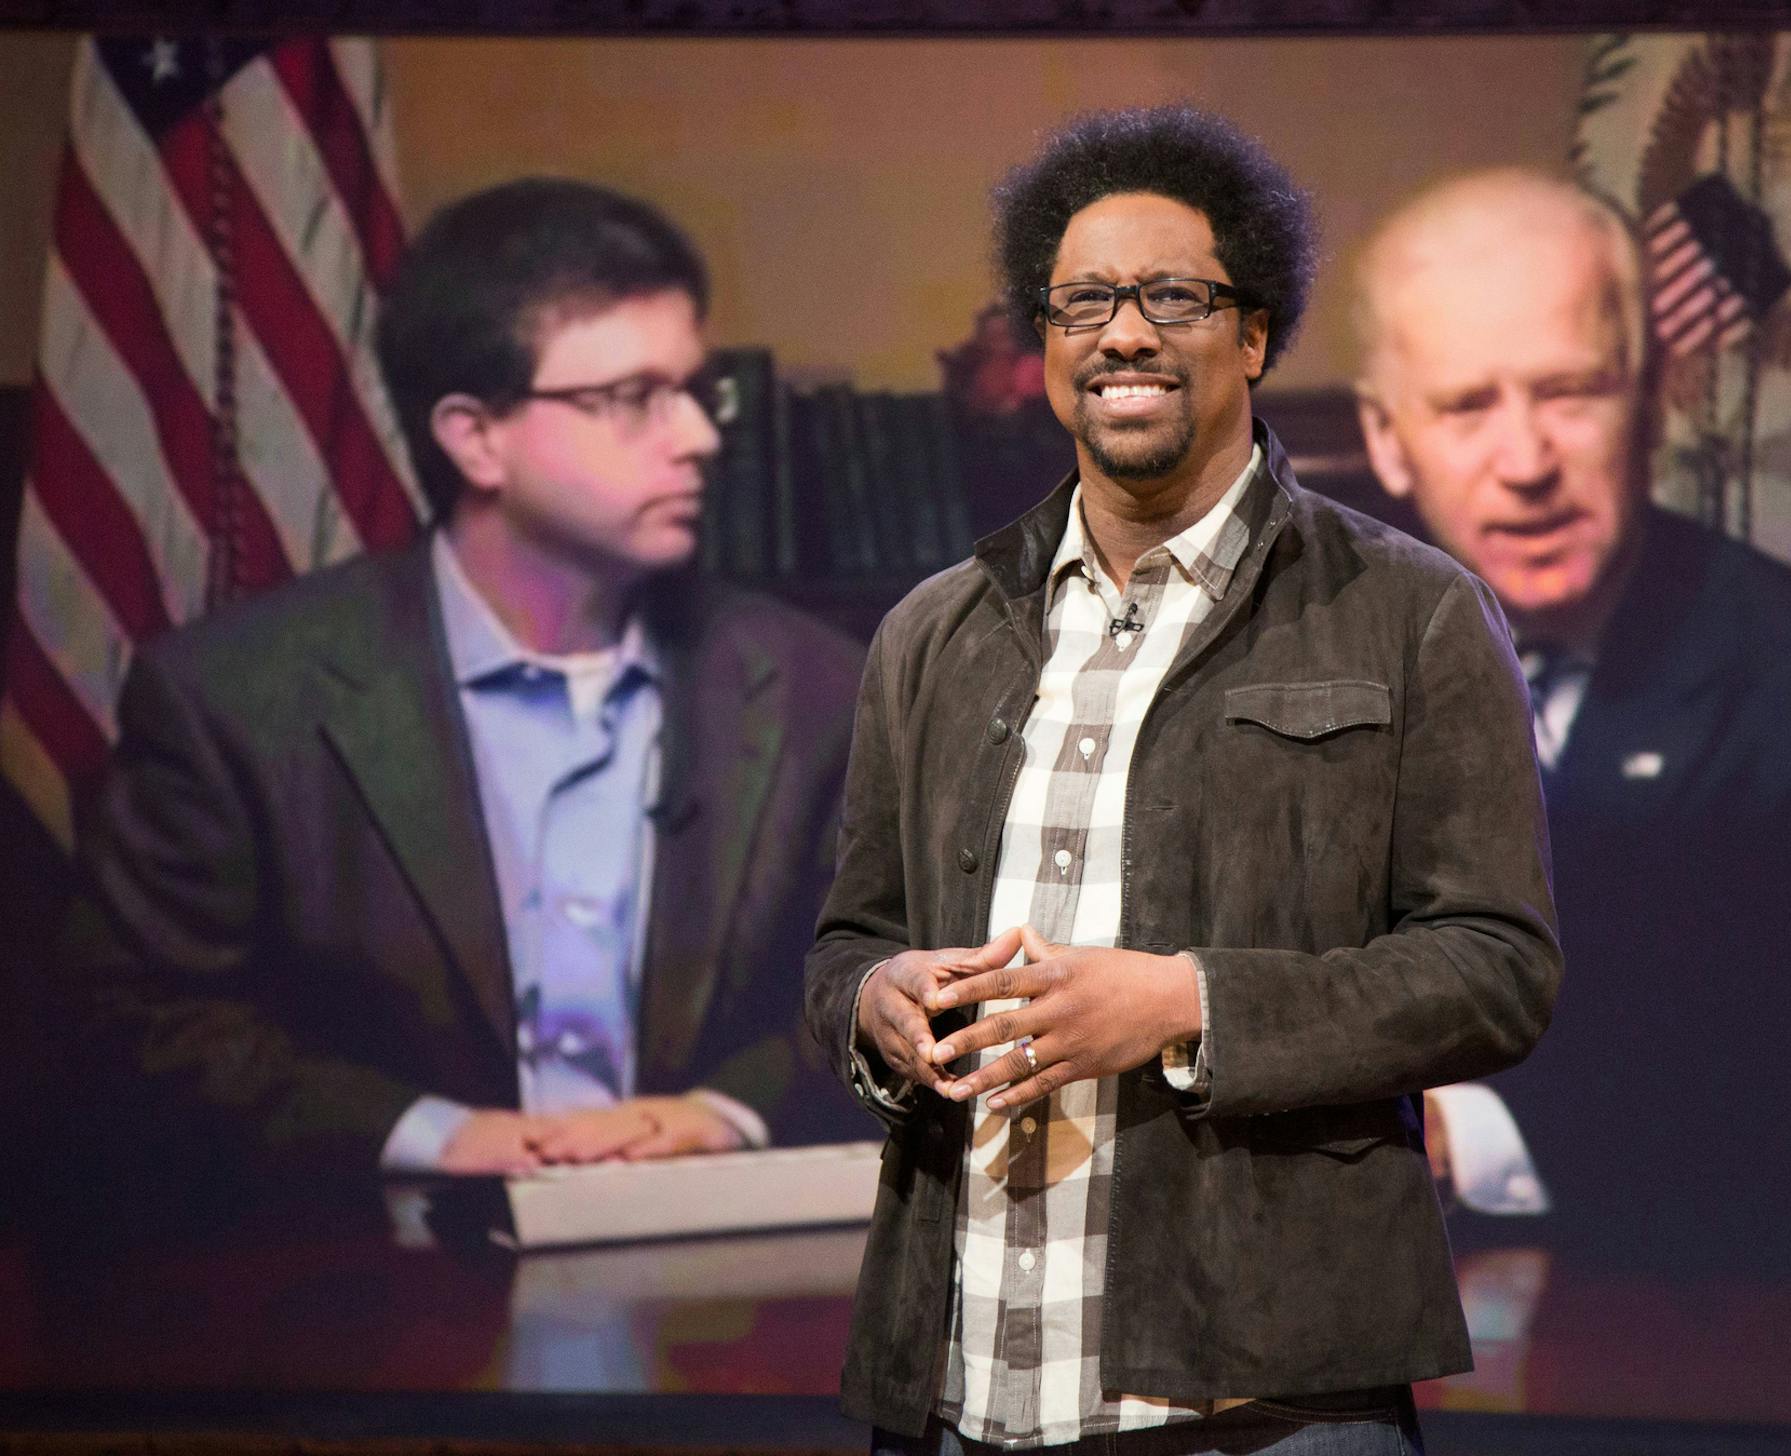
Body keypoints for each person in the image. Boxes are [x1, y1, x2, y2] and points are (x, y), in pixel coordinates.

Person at [804, 107, 1560, 1454]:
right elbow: (846, 941)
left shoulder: (1413, 613)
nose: (1126, 333)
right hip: (960, 1390)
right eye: (1085, 298)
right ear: (1046, 343)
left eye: (1173, 296)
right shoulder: (934, 631)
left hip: (1267, 1404)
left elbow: (1495, 968)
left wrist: (1181, 1003)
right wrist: (879, 1001)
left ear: (1255, 335)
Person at [63, 178, 864, 1190]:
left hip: (723, 1291)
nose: (698, 436)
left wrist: (726, 1111)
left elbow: (887, 974)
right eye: (632, 400)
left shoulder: (815, 684)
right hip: (366, 1283)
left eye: (697, 392)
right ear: (473, 436)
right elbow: (131, 1016)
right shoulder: (230, 698)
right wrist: (425, 1133)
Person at [1353, 168, 1791, 1262]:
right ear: (1387, 439)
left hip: (1699, 1319)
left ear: (1653, 395)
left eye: (1570, 391)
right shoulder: (1292, 667)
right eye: (1466, 407)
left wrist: (1457, 1131)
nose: (1526, 462)